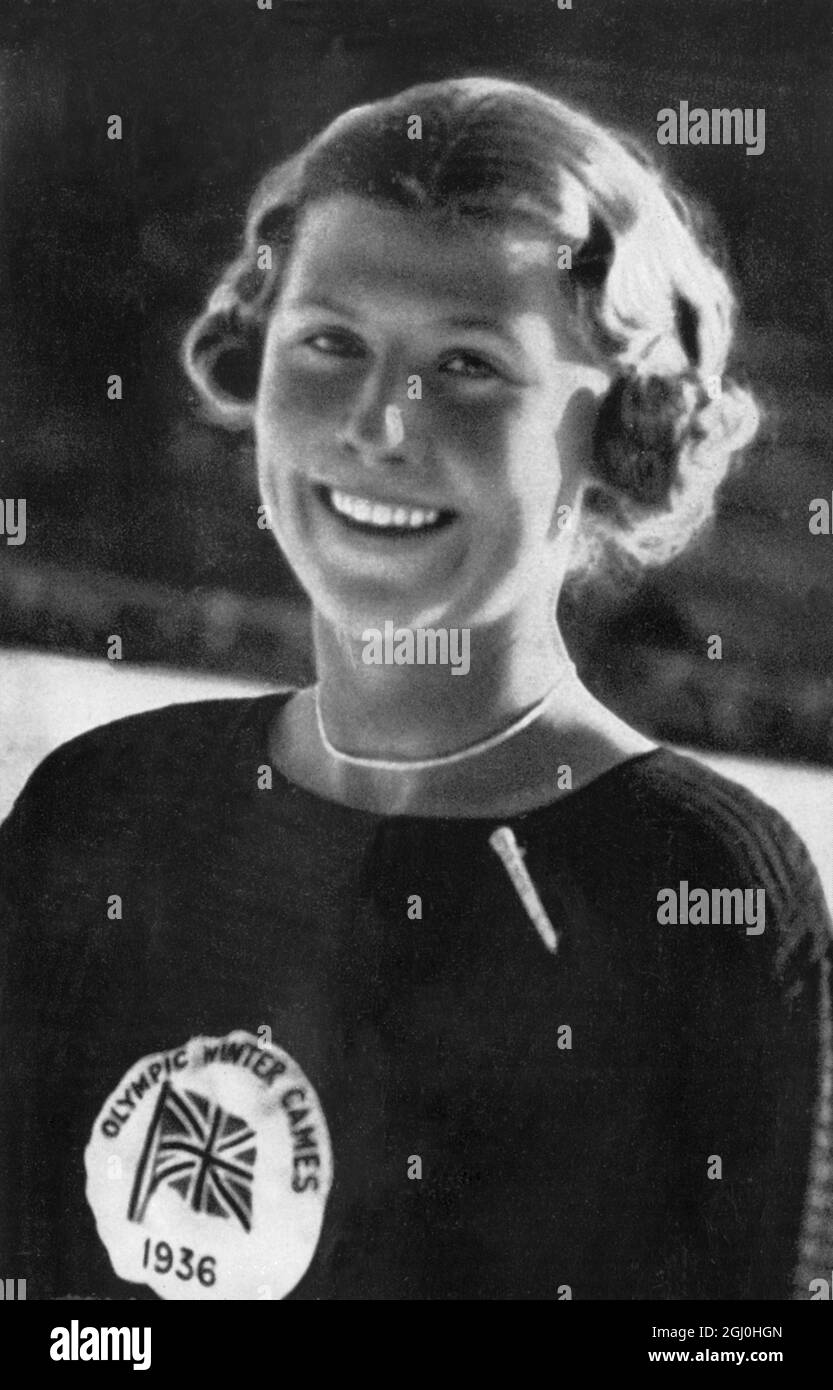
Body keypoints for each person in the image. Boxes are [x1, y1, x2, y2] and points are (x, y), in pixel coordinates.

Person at [1, 76, 831, 1301]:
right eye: (331, 342)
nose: (382, 424)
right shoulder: (98, 809)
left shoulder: (699, 885)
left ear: (615, 430)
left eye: (469, 363)